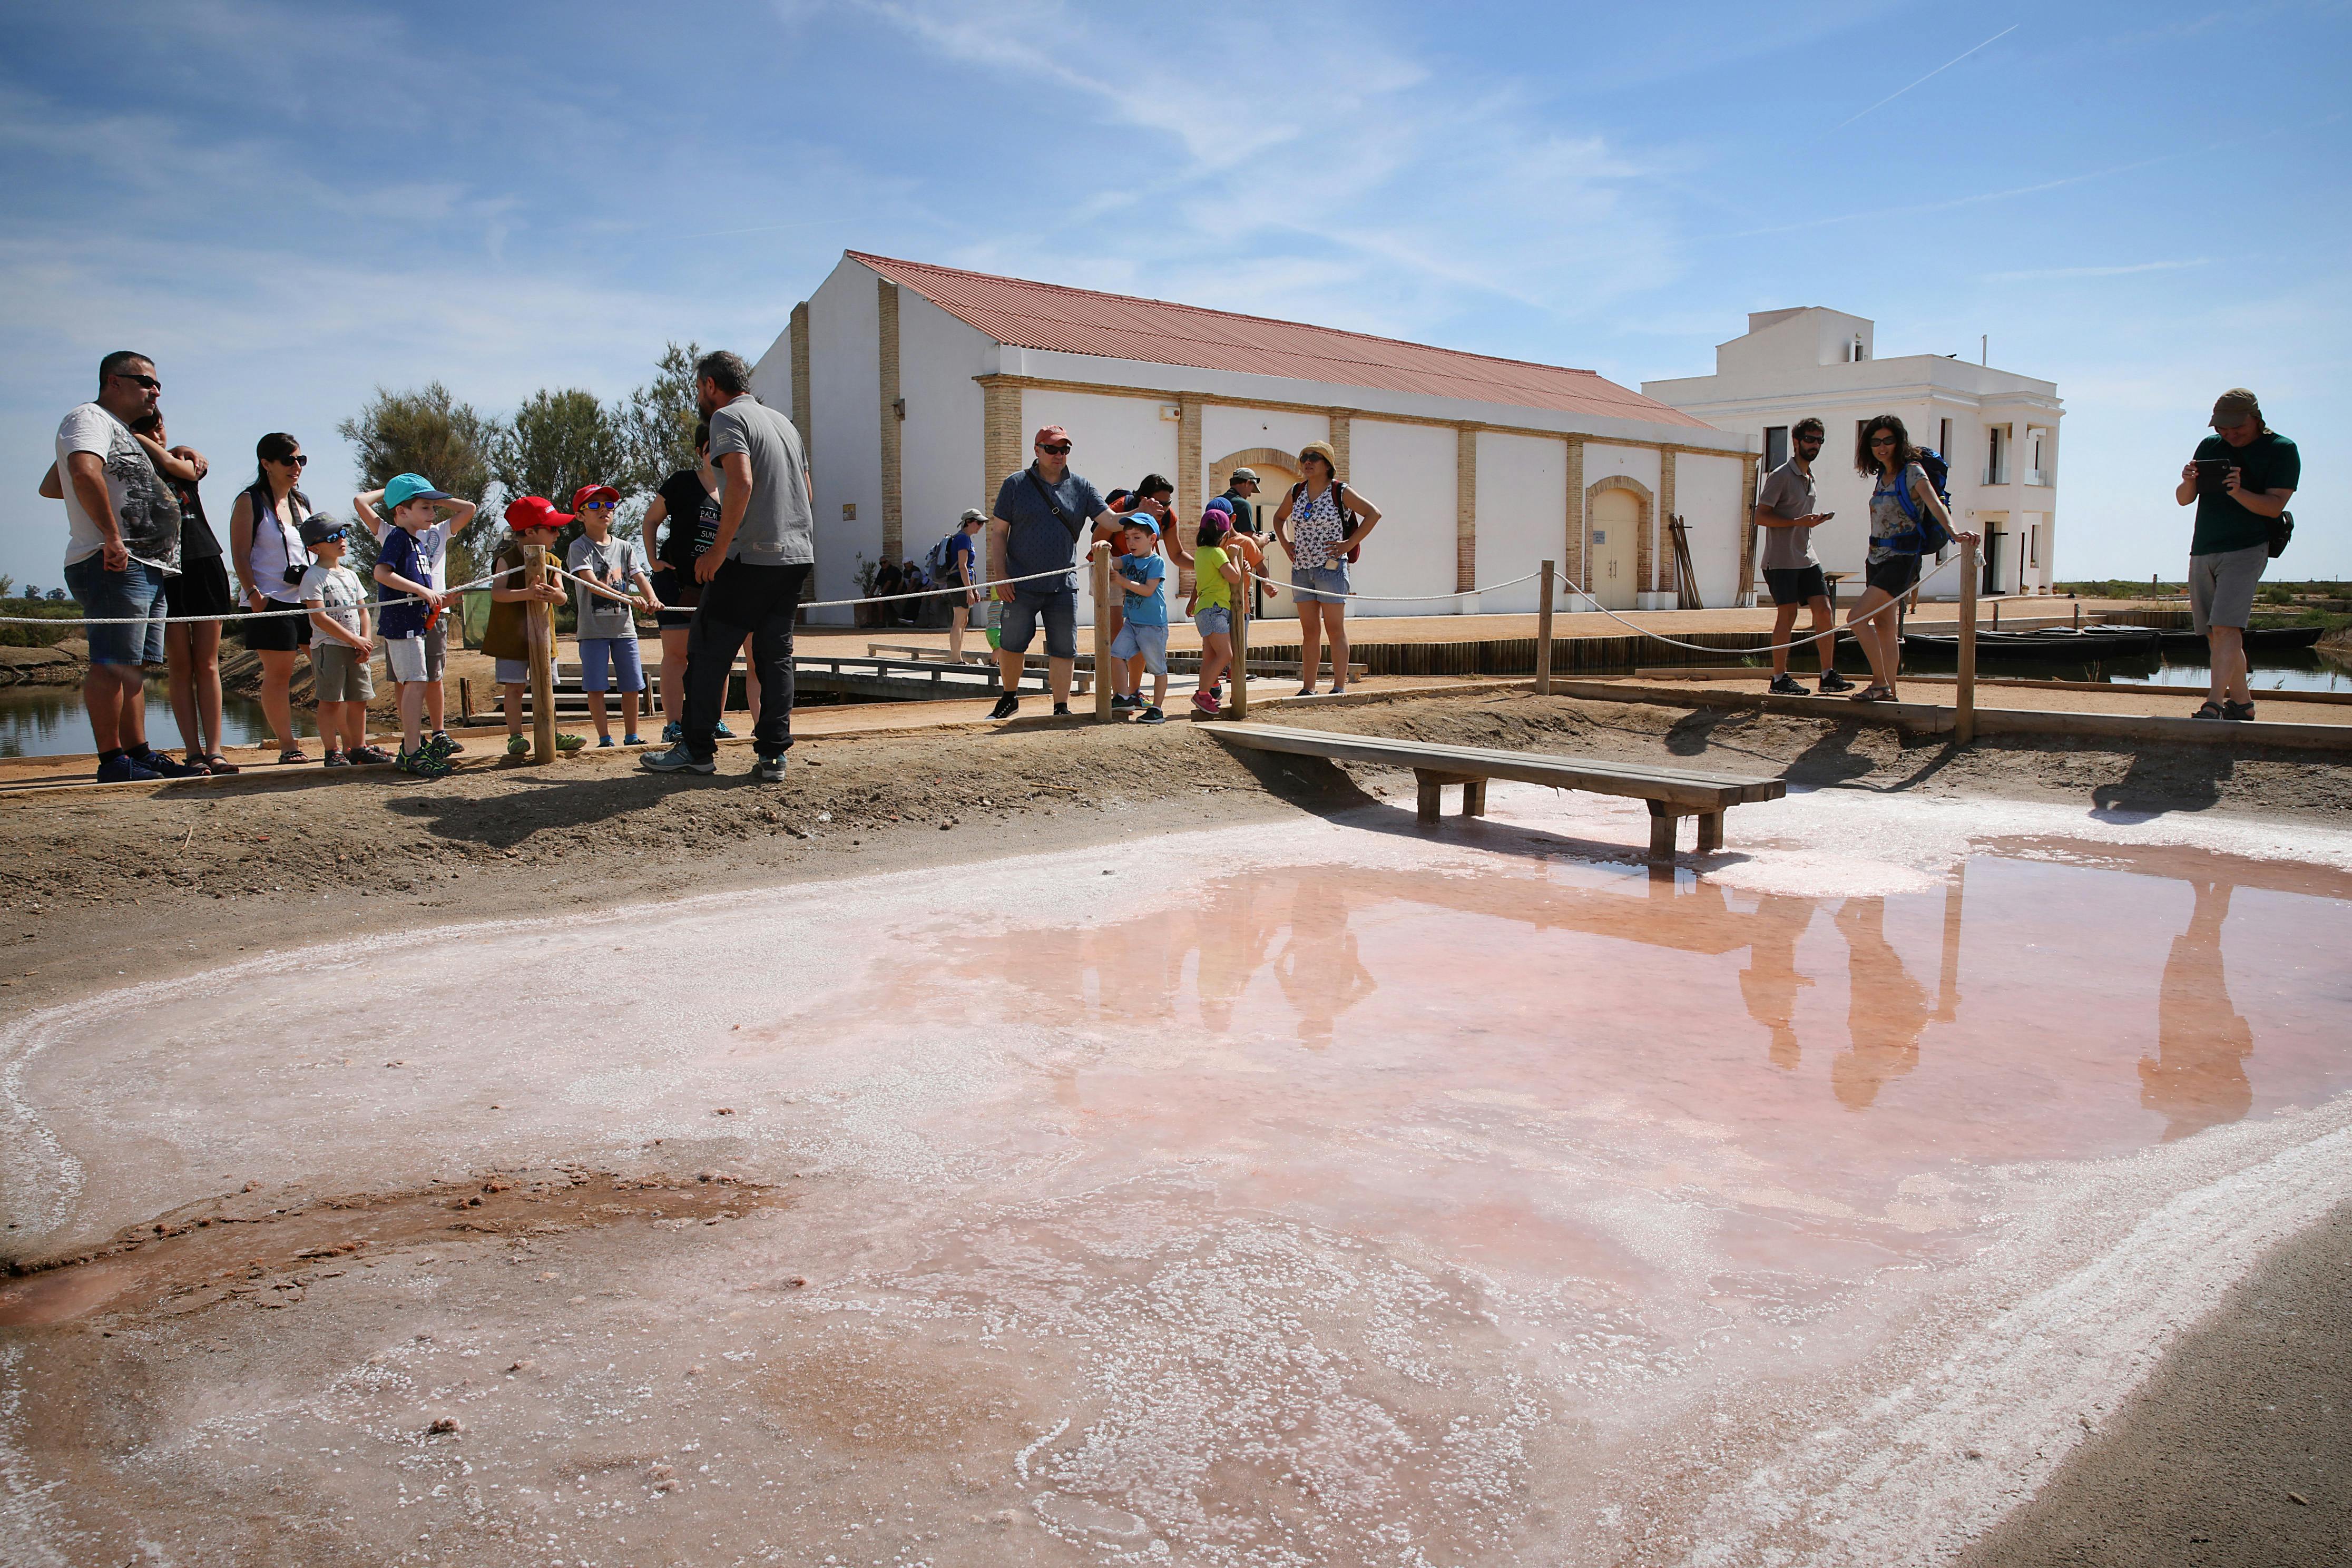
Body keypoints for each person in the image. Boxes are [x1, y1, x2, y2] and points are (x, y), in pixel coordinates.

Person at [642, 350, 815, 781]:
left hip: (749, 556)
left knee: (706, 649)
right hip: (796, 556)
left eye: (699, 389)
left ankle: (696, 750)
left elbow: (740, 482)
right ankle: (773, 756)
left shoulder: (726, 418)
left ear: (710, 385)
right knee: (775, 656)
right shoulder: (784, 424)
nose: (700, 397)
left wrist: (718, 550)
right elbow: (807, 494)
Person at [46, 350, 202, 782]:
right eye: (146, 382)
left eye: (158, 385)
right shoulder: (88, 418)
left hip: (146, 565)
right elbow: (81, 473)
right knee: (112, 663)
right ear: (113, 382)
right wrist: (112, 536)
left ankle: (137, 752)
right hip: (114, 560)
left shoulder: (114, 429)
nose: (155, 391)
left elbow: (55, 484)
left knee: (133, 665)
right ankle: (113, 761)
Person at [985, 425, 1123, 721]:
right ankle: (1009, 698)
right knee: (1011, 644)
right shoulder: (1015, 484)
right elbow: (998, 532)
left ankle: (1061, 706)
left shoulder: (1082, 486)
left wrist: (1142, 512)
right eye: (1051, 449)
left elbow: (1111, 521)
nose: (1059, 455)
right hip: (1020, 583)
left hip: (1063, 585)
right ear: (1037, 450)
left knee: (1064, 649)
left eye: (1064, 449)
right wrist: (1001, 575)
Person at [2175, 388, 2297, 721]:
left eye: (2236, 427)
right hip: (2203, 548)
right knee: (2215, 634)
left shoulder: (2282, 449)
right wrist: (2189, 480)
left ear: (2255, 418)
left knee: (2227, 628)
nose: (2229, 434)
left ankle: (2213, 704)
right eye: (2222, 428)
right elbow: (2184, 499)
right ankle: (2243, 704)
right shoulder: (2210, 446)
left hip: (2247, 547)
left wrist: (2238, 491)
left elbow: (2274, 507)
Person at [132, 412, 239, 772]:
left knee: (207, 663)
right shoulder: (130, 468)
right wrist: (138, 440)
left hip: (204, 561)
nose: (156, 435)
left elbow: (188, 470)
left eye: (159, 427)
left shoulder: (178, 461)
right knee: (180, 664)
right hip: (165, 569)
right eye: (147, 430)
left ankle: (216, 750)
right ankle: (193, 752)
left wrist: (163, 443)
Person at [1847, 416, 1971, 704]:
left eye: (1888, 440)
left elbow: (1934, 503)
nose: (1882, 447)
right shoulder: (1882, 475)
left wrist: (1954, 533)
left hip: (1902, 559)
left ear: (1899, 442)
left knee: (1856, 619)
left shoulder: (1913, 471)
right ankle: (1890, 692)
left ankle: (1879, 684)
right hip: (1875, 558)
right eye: (1875, 442)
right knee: (1885, 627)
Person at [642, 423, 748, 745]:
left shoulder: (738, 487)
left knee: (719, 657)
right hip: (676, 584)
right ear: (701, 451)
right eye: (710, 448)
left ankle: (714, 720)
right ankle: (674, 724)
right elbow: (651, 520)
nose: (716, 455)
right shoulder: (682, 482)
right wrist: (653, 560)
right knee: (677, 656)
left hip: (718, 585)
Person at [357, 477, 475, 757]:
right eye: (425, 507)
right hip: (405, 618)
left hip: (432, 612)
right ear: (402, 510)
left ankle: (435, 734)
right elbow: (360, 502)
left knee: (431, 676)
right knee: (408, 679)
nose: (432, 513)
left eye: (433, 507)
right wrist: (397, 489)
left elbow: (468, 508)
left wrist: (430, 496)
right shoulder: (395, 535)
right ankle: (412, 743)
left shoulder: (433, 533)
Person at [227, 432, 317, 762]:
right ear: (266, 464)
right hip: (269, 600)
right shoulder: (249, 501)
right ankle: (288, 746)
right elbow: (240, 554)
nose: (296, 466)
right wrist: (254, 595)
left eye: (300, 460)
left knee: (327, 666)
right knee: (279, 675)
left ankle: (344, 743)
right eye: (288, 460)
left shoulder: (302, 502)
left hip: (306, 598)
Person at [1271, 440, 1380, 698]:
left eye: (1314, 457)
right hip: (1301, 569)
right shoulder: (1296, 491)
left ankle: (1338, 687)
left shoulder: (1340, 491)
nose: (1307, 462)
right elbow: (1279, 518)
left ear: (1328, 464)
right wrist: (1286, 543)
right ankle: (1308, 688)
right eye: (1304, 458)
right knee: (1309, 632)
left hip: (1331, 569)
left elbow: (1373, 514)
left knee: (1335, 629)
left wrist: (1349, 544)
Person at [1754, 417, 1852, 695]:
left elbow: (1799, 519)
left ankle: (1827, 675)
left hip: (1807, 557)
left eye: (1820, 440)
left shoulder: (1810, 477)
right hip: (1781, 560)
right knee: (1788, 615)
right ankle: (1779, 679)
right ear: (1796, 442)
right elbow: (1760, 516)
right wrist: (1797, 522)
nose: (1815, 445)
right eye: (1810, 439)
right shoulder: (1780, 476)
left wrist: (1811, 522)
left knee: (1825, 611)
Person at [482, 497, 577, 757]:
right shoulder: (506, 560)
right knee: (514, 688)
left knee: (545, 687)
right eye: (553, 528)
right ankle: (516, 736)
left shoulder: (553, 560)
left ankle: (552, 733)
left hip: (543, 638)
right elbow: (498, 593)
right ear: (530, 532)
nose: (558, 534)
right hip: (511, 639)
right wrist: (527, 593)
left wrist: (555, 596)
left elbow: (562, 595)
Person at [565, 482, 658, 747]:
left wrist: (651, 598)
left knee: (632, 685)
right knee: (596, 687)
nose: (603, 510)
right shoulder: (578, 547)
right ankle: (605, 738)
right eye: (595, 505)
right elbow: (591, 583)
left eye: (609, 505)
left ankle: (632, 736)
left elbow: (639, 576)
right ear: (580, 515)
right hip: (592, 631)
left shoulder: (625, 547)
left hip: (624, 629)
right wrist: (629, 598)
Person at [297, 515, 386, 768]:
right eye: (333, 538)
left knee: (359, 700)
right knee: (331, 701)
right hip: (330, 647)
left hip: (356, 648)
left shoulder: (351, 575)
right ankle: (332, 751)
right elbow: (319, 617)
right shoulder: (313, 576)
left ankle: (359, 748)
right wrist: (353, 639)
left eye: (343, 535)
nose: (341, 541)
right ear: (315, 548)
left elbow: (363, 611)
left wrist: (365, 641)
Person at [1187, 509, 1250, 718]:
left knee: (1210, 656)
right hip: (1215, 610)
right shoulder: (1218, 553)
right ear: (1224, 535)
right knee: (1226, 654)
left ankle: (1205, 694)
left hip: (1205, 609)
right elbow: (1234, 577)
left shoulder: (1200, 553)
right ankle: (1202, 694)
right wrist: (1235, 557)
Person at [1109, 516, 1170, 724]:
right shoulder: (1129, 559)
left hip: (1153, 626)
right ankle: (1123, 696)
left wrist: (1122, 581)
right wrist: (1102, 548)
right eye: (1127, 538)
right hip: (1132, 623)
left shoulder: (1156, 562)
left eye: (1136, 537)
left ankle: (1157, 710)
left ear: (1152, 539)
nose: (1131, 543)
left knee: (1157, 669)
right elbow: (1112, 562)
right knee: (1116, 654)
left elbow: (1148, 590)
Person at [942, 508, 986, 660]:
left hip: (961, 582)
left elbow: (967, 568)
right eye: (978, 523)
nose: (981, 526)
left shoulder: (964, 538)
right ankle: (955, 658)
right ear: (968, 522)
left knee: (963, 620)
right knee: (959, 621)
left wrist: (973, 589)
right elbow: (963, 566)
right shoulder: (963, 539)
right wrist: (969, 590)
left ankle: (957, 657)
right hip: (959, 582)